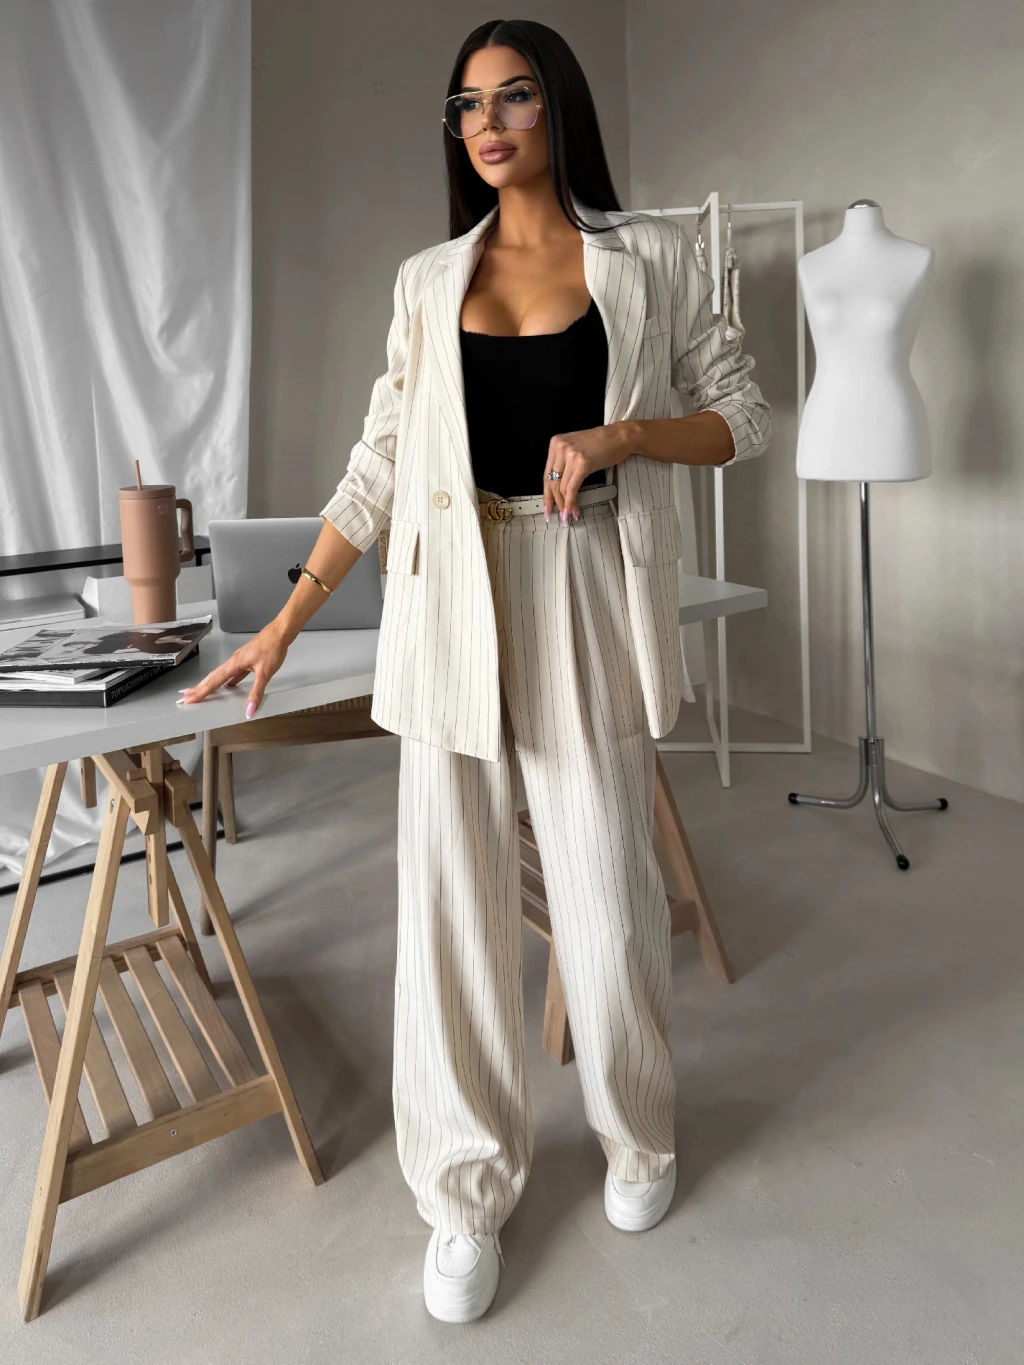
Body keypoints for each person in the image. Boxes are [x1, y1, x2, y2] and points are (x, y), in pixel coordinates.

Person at [180, 17, 770, 1325]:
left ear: (560, 107)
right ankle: (464, 1189)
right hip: (450, 595)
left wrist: (623, 435)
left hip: (583, 581)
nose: (487, 124)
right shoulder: (426, 281)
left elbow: (742, 415)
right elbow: (382, 462)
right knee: (452, 909)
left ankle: (638, 1134)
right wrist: (287, 621)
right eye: (467, 105)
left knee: (606, 896)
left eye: (514, 97)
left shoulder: (649, 260)